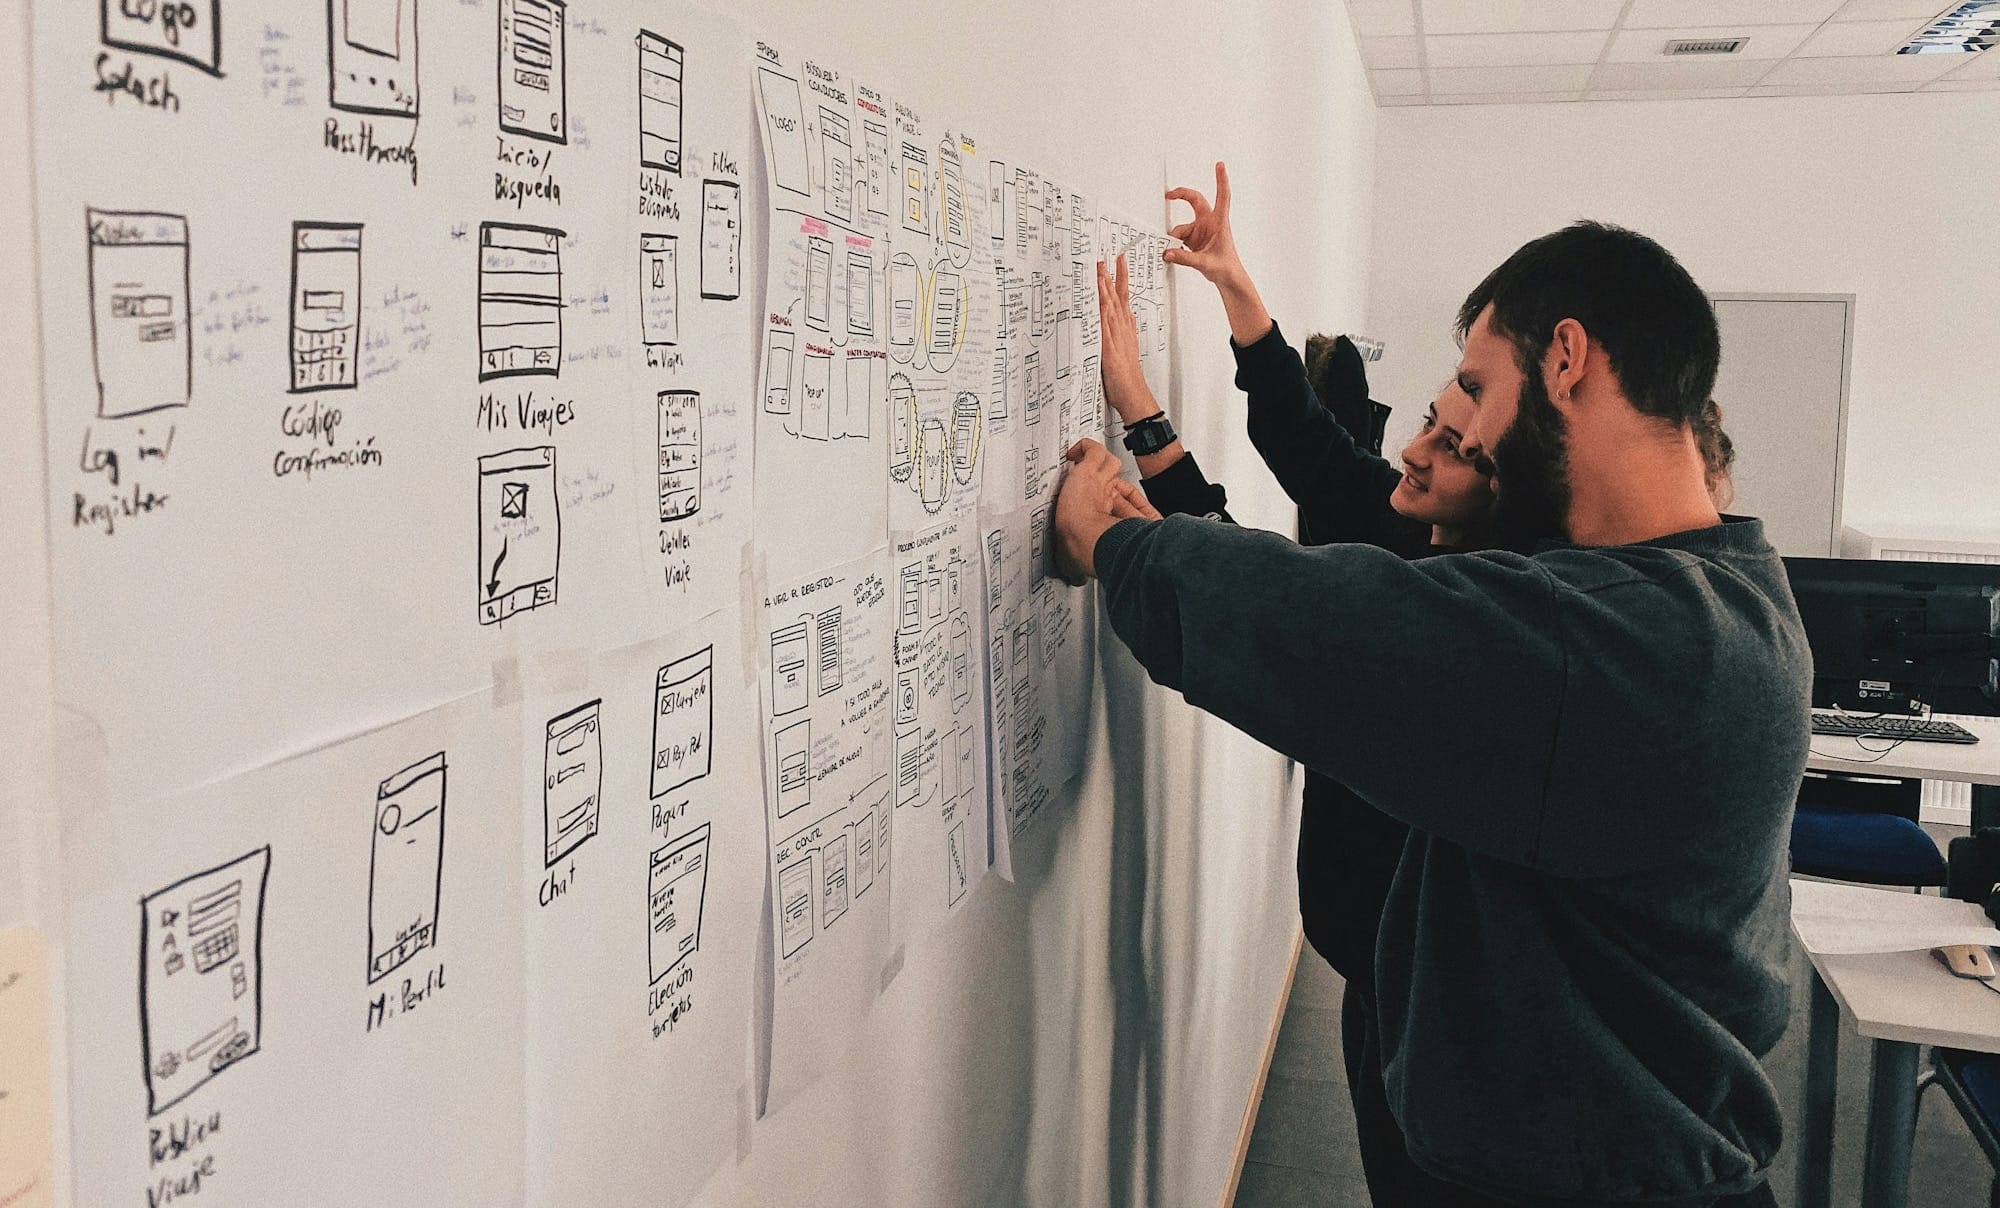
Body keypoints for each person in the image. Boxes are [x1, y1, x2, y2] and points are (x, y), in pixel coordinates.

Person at [1058, 176, 1807, 1208]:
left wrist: (1113, 543)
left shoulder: (1624, 641)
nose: (1463, 443)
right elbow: (1331, 537)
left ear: (1566, 360)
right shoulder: (1720, 593)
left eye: (1477, 392)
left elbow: (1326, 624)